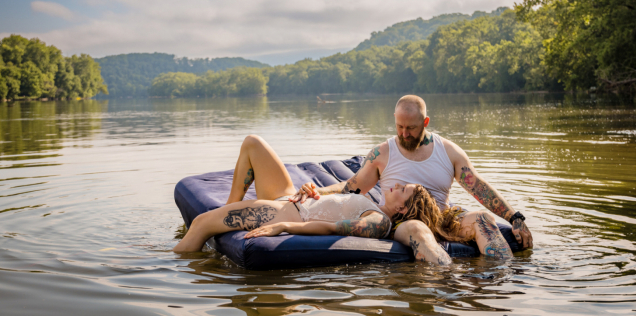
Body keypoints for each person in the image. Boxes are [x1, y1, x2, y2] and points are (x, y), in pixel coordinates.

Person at [174, 135, 513, 259]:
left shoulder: (379, 221)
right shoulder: (374, 201)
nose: (393, 185)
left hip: (288, 213)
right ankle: (230, 206)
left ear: (403, 210)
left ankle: (172, 261)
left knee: (203, 223)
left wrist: (284, 228)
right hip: (296, 198)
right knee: (252, 143)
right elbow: (348, 187)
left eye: (401, 190)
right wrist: (317, 190)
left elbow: (332, 228)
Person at [292, 95, 533, 265]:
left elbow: (478, 187)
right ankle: (446, 284)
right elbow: (350, 188)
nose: (404, 134)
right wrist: (317, 190)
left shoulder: (448, 151)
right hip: (402, 222)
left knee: (482, 218)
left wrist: (514, 217)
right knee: (418, 229)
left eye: (412, 128)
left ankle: (504, 281)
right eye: (399, 127)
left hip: (441, 217)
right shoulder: (382, 153)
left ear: (425, 123)